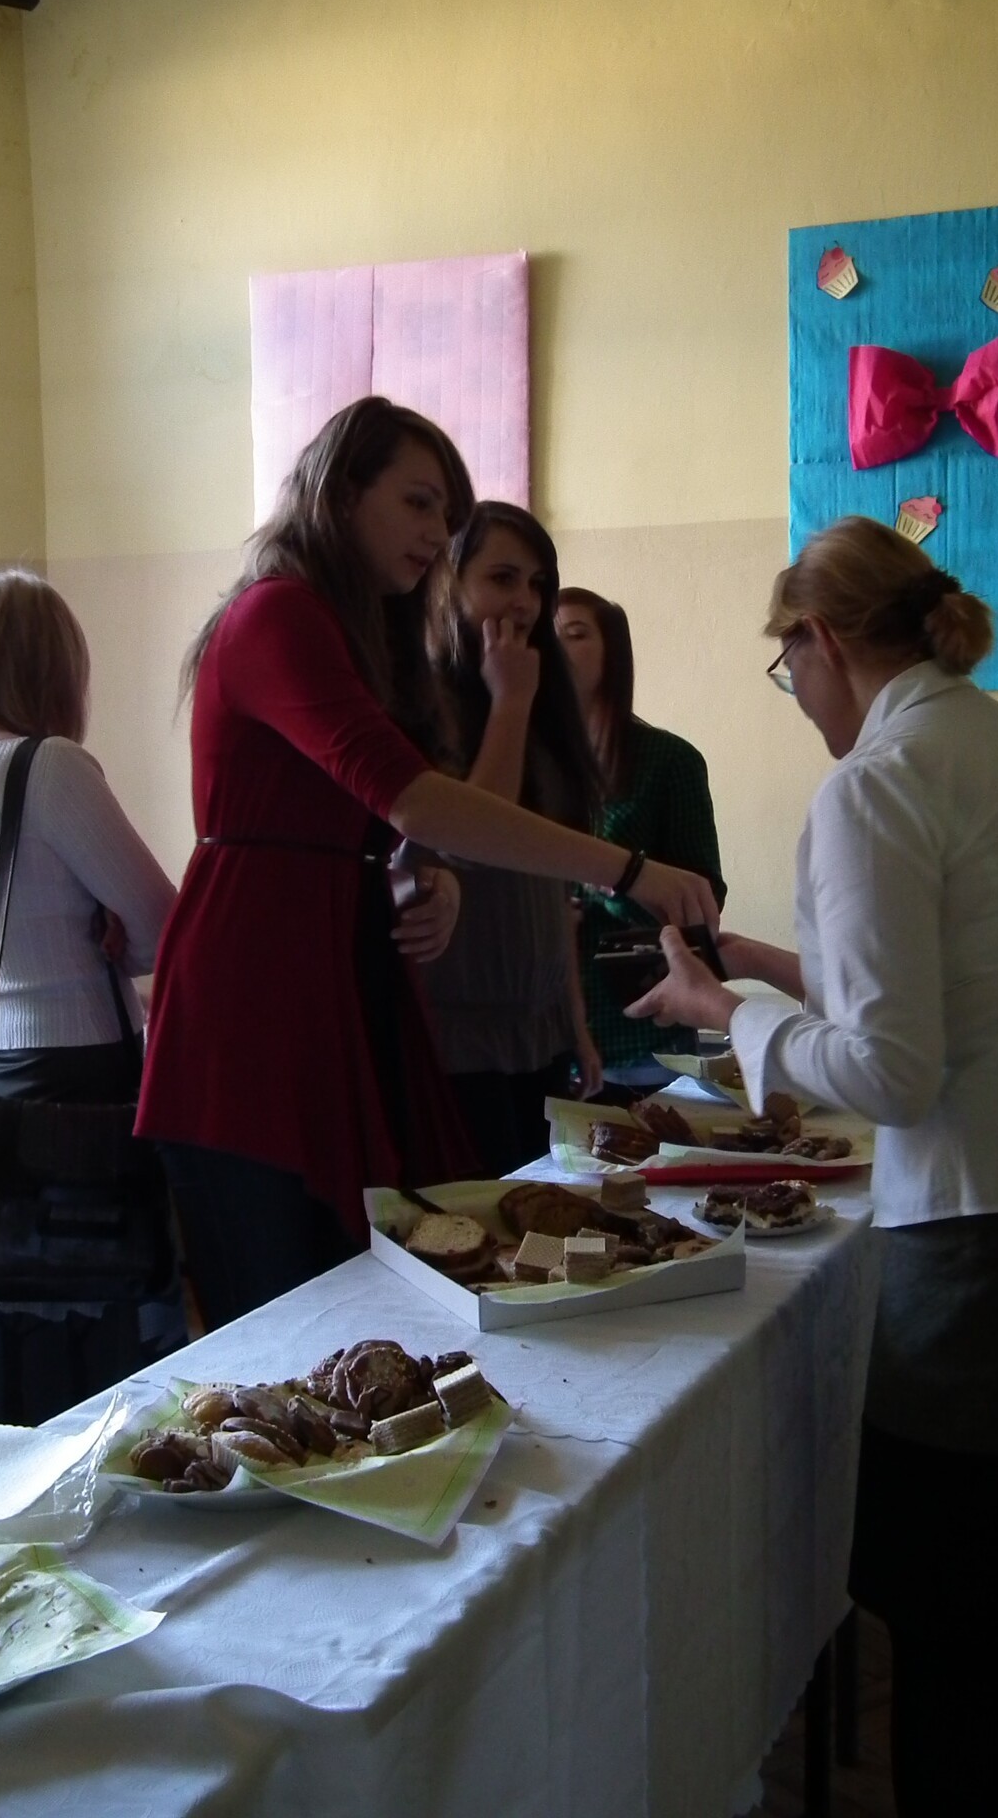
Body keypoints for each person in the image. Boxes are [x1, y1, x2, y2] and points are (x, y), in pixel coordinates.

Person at [626, 515, 998, 1818]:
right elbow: (947, 989)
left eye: (788, 669)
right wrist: (759, 970)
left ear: (820, 641)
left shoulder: (873, 786)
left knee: (966, 1637)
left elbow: (892, 1073)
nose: (798, 696)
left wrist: (722, 1014)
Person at [136, 397, 721, 1330]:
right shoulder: (276, 613)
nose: (435, 532)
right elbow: (411, 796)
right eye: (416, 502)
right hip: (257, 989)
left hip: (339, 972)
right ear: (341, 491)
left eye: (445, 513)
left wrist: (421, 873)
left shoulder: (355, 633)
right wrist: (626, 869)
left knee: (371, 1282)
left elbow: (390, 822)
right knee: (284, 1306)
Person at [0, 572, 180, 1426]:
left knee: (26, 1316)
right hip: (85, 1074)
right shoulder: (50, 767)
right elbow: (164, 927)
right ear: (55, 666)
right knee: (102, 1327)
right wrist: (113, 931)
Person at [419, 502, 603, 1177]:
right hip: (459, 1040)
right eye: (502, 579)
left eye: (537, 584)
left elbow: (554, 885)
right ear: (450, 582)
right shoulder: (426, 703)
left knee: (545, 1214)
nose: (525, 602)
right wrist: (510, 701)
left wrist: (576, 1023)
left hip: (541, 1030)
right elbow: (477, 834)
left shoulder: (540, 705)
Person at [555, 586, 726, 1093]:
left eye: (575, 634)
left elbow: (703, 901)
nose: (555, 648)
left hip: (643, 1036)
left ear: (612, 653)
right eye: (545, 636)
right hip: (547, 1033)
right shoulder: (531, 765)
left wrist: (607, 882)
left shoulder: (669, 761)